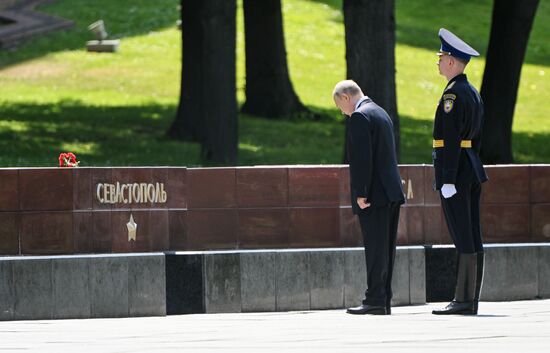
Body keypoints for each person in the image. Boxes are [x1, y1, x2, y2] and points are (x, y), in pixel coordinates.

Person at [333, 80, 405, 315]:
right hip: (391, 192)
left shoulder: (360, 116)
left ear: (345, 97)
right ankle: (383, 298)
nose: (342, 112)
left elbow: (362, 160)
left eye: (339, 106)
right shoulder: (380, 112)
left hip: (374, 195)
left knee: (375, 248)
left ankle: (374, 299)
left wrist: (361, 193)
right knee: (386, 249)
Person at [430, 28, 488, 315]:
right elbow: (476, 139)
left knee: (463, 234)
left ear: (452, 62)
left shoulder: (453, 94)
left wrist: (448, 178)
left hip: (457, 172)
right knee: (473, 234)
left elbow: (451, 140)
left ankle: (464, 300)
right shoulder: (472, 92)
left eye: (441, 58)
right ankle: (470, 298)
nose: (438, 62)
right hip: (472, 167)